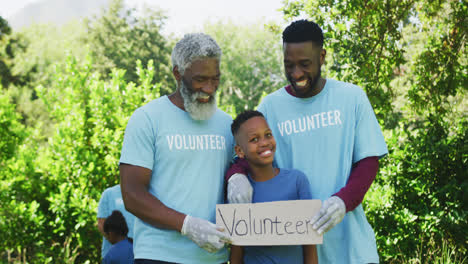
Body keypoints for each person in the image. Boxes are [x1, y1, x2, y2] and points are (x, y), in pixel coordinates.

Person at [226, 20, 388, 264]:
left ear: (322, 56)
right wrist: (235, 176)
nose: (296, 74)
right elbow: (246, 154)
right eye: (288, 65)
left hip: (351, 249)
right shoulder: (270, 106)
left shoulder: (352, 98)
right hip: (294, 251)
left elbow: (368, 162)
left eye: (304, 64)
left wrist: (344, 201)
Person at [119, 33, 234, 264]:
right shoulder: (148, 119)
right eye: (200, 79)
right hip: (158, 256)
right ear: (177, 73)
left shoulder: (227, 124)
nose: (209, 88)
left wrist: (239, 175)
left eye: (215, 79)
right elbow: (132, 195)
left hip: (214, 258)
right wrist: (187, 225)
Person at [228, 110, 318, 264]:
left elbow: (309, 245)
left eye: (268, 135)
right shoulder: (239, 192)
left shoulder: (297, 181)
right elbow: (237, 249)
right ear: (240, 151)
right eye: (254, 139)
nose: (264, 143)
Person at [97, 184, 135, 259]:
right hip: (114, 256)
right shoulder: (109, 193)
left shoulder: (147, 193)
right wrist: (122, 247)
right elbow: (101, 224)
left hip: (140, 255)